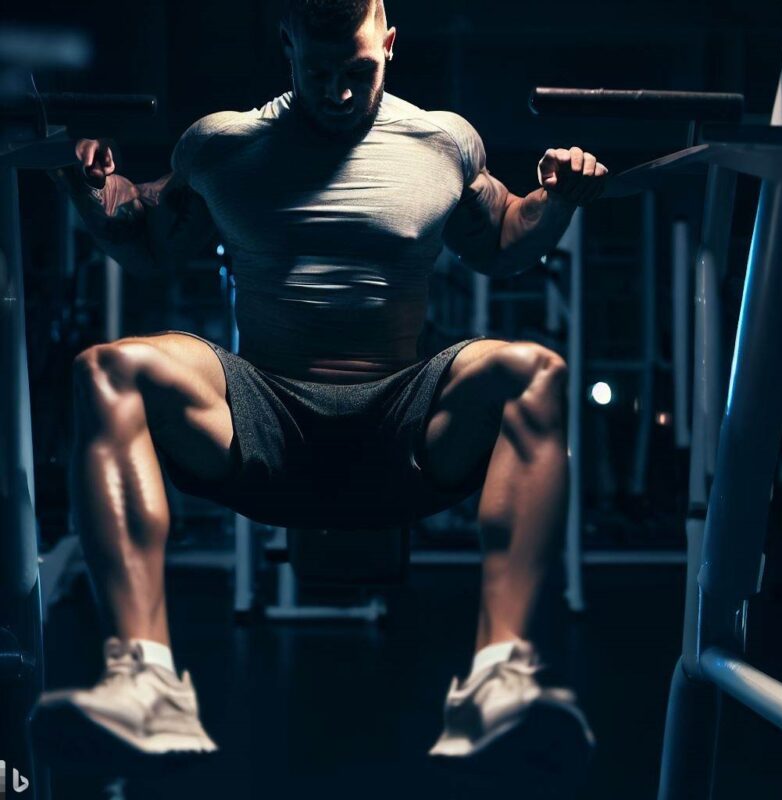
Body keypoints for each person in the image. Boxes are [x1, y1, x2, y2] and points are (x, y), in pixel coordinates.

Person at [35, 0, 607, 785]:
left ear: (391, 44)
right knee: (106, 370)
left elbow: (504, 240)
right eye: (319, 73)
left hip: (403, 422)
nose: (338, 93)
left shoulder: (442, 141)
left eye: (359, 72)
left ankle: (498, 684)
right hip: (257, 416)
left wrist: (560, 197)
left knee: (534, 372)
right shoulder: (224, 145)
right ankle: (144, 680)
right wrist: (94, 191)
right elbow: (143, 240)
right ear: (288, 48)